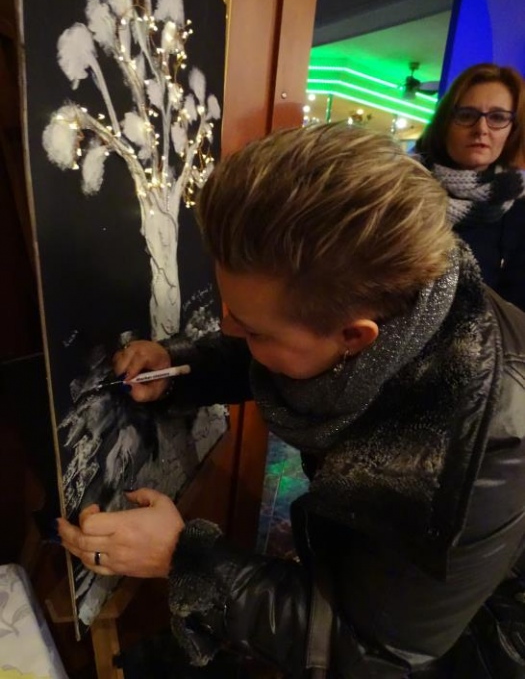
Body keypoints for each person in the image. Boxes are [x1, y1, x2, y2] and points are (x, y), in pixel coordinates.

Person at [58, 123, 525, 678]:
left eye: (253, 329)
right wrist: (182, 370)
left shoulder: (486, 448)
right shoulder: (391, 301)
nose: (229, 330)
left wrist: (184, 559)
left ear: (355, 338)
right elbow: (287, 349)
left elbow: (376, 651)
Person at [414, 62, 525, 312]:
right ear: (445, 124)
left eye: (497, 117)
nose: (481, 129)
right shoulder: (400, 190)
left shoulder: (519, 210)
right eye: (466, 115)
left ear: (513, 130)